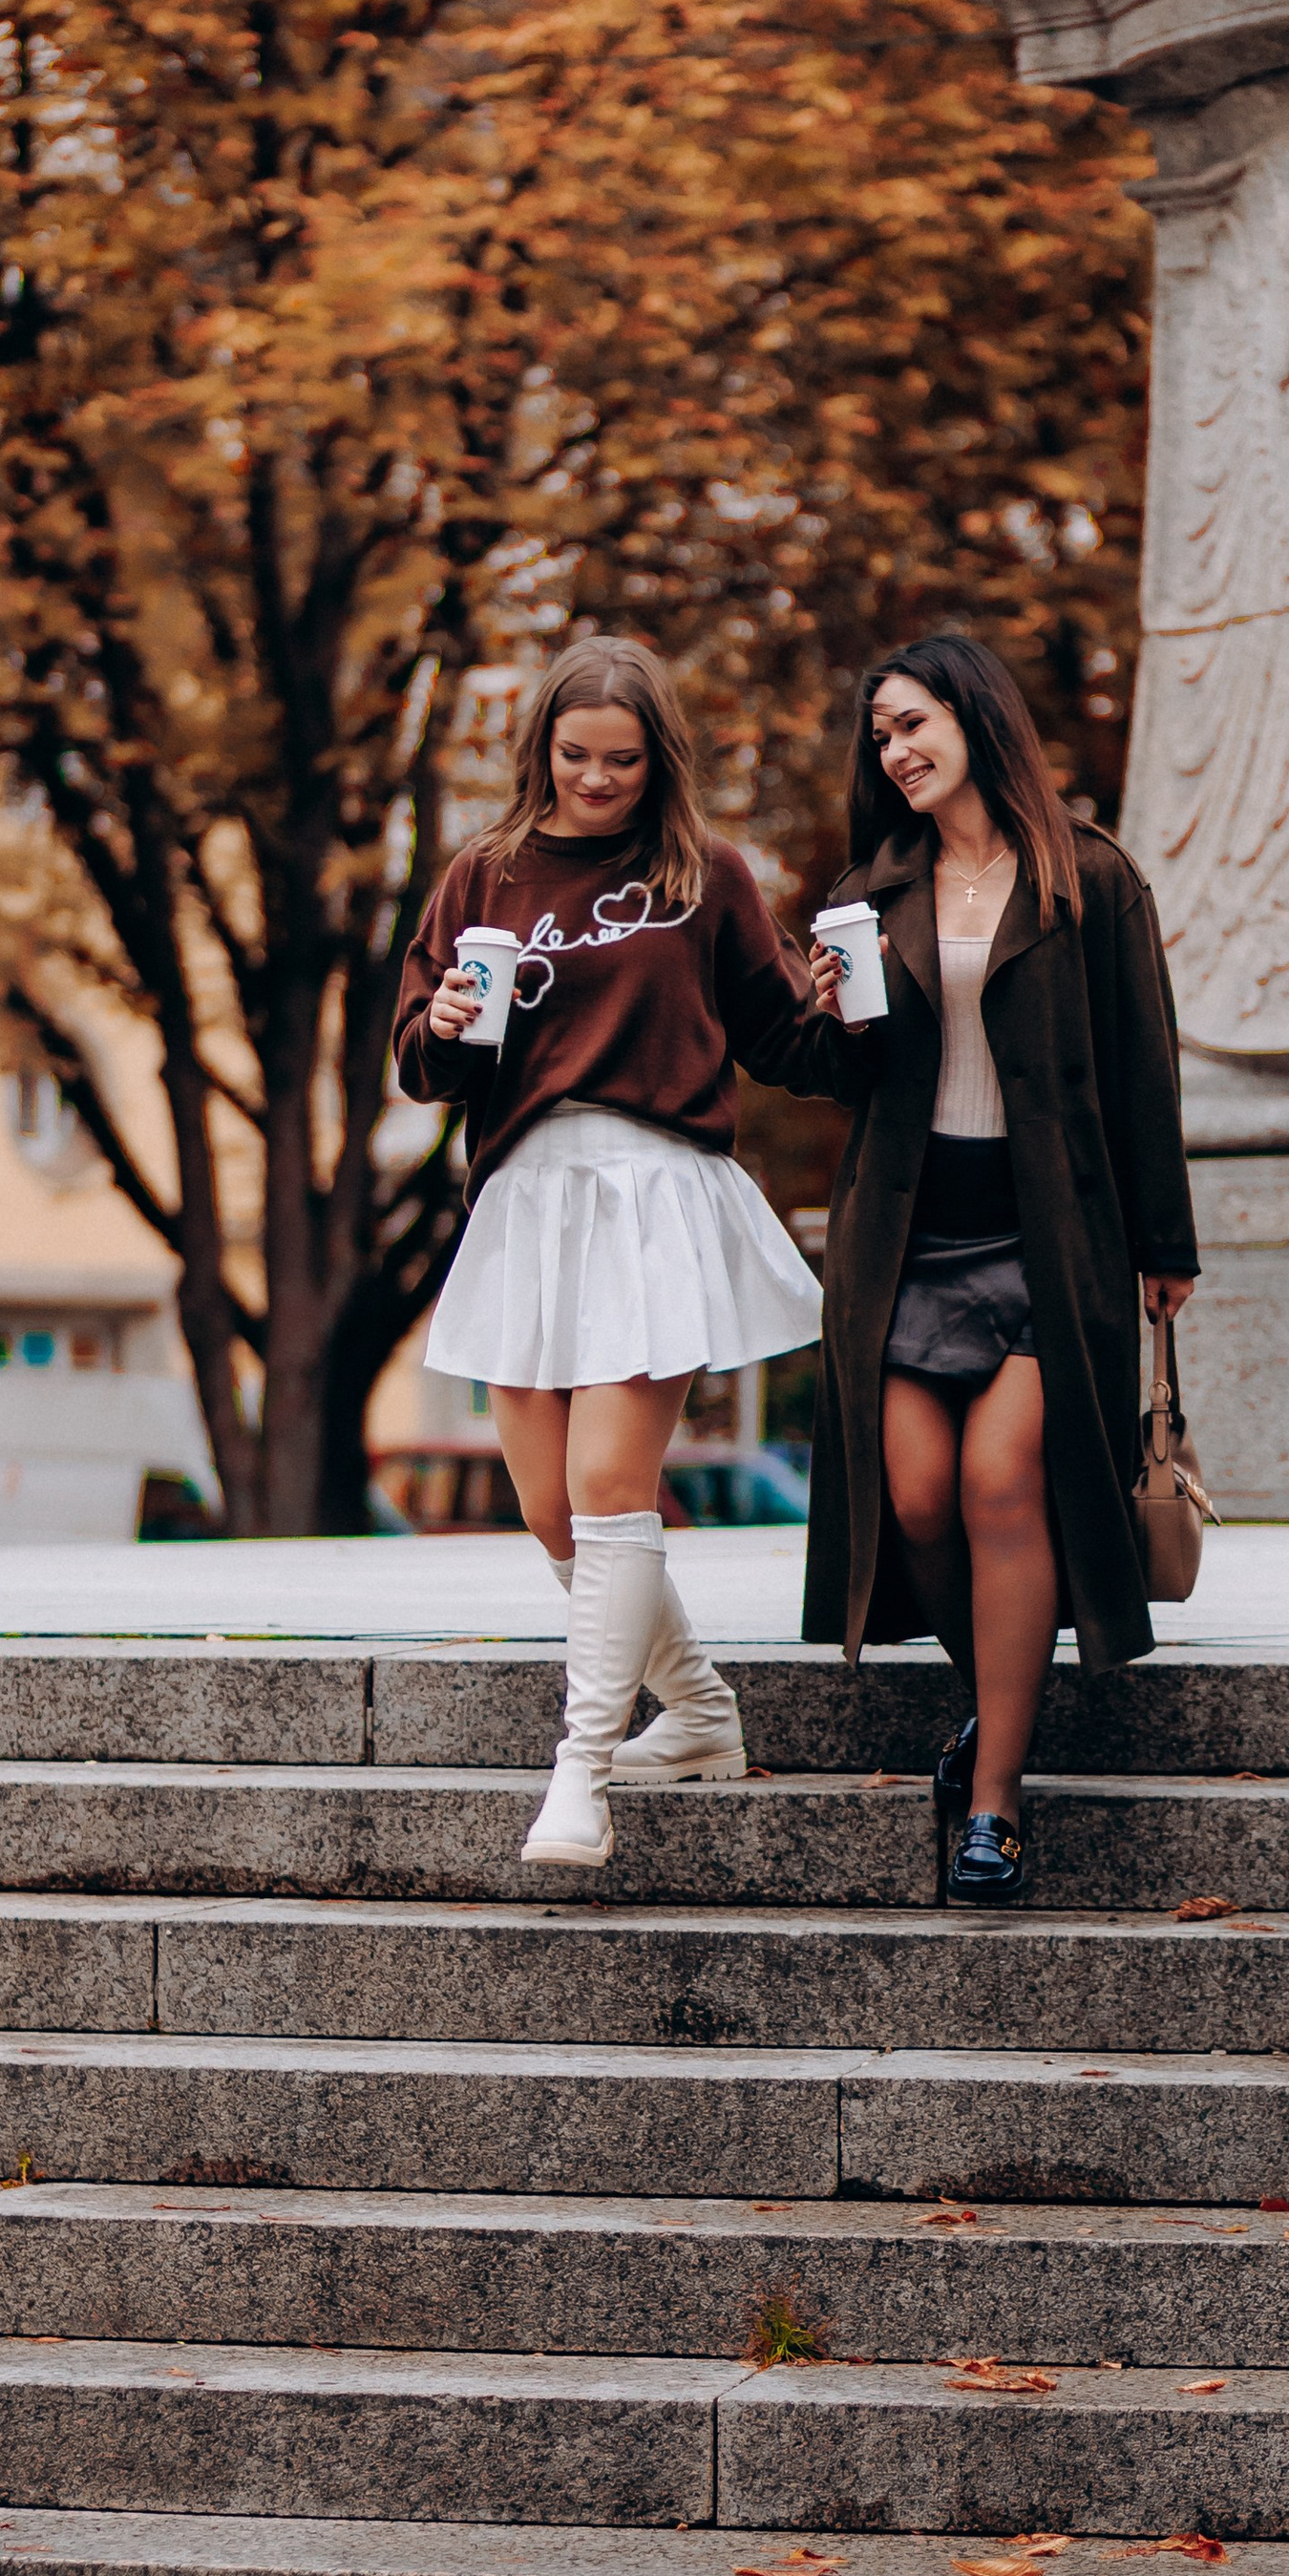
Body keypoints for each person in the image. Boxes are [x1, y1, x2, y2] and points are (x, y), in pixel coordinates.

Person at [393, 636, 841, 1867]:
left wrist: (861, 998)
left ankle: (579, 1777)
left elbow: (785, 1043)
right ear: (541, 747)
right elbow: (423, 1065)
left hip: (653, 1192)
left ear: (660, 762)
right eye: (577, 756)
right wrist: (441, 1025)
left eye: (624, 762)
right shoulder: (481, 876)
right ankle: (699, 1712)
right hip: (528, 1194)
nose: (597, 781)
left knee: (608, 1493)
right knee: (548, 1508)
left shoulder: (706, 877)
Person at [800, 634, 1198, 1903]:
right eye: (881, 736)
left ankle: (996, 1800)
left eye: (913, 723)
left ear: (975, 717)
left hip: (1048, 1239)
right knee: (913, 1499)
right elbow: (843, 1087)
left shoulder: (1091, 878)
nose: (897, 751)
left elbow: (1146, 1066)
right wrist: (831, 1021)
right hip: (907, 1240)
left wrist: (1164, 1244)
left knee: (997, 1486)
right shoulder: (873, 890)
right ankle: (992, 1707)